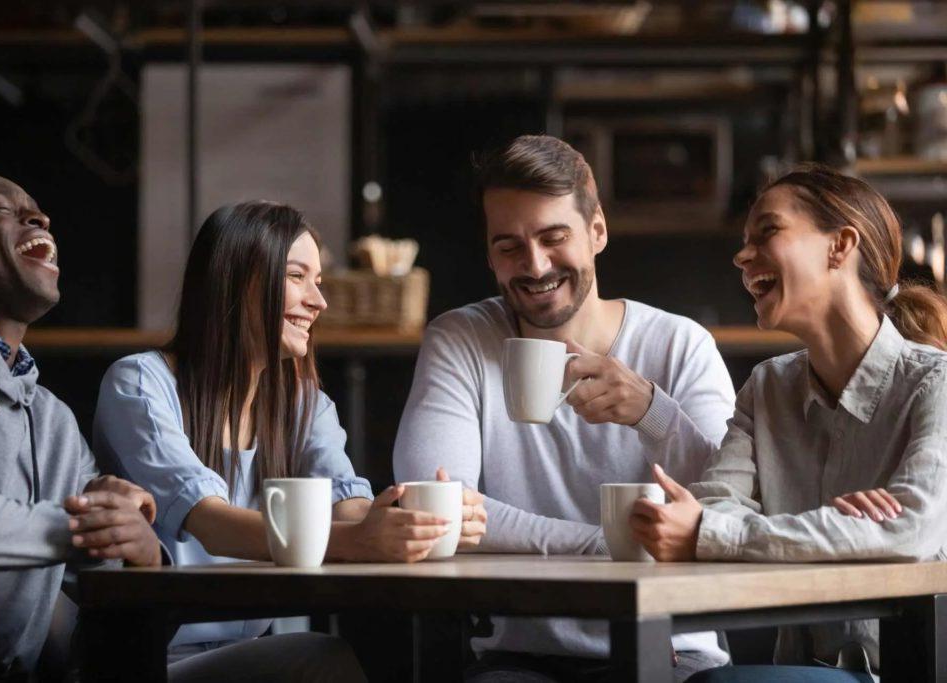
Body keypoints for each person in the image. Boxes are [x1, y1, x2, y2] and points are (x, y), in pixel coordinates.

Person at [93, 200, 487, 681]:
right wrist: (361, 542)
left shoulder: (304, 403)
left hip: (242, 652)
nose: (319, 302)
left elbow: (350, 509)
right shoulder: (139, 384)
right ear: (235, 279)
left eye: (318, 281)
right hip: (147, 657)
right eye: (297, 277)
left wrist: (418, 521)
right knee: (324, 661)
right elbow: (208, 521)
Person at [393, 134, 736, 682]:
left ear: (596, 231)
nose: (534, 265)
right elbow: (435, 507)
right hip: (520, 655)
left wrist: (653, 413)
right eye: (509, 246)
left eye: (554, 238)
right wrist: (605, 544)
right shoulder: (461, 339)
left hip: (672, 651)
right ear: (488, 253)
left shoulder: (679, 344)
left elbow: (726, 506)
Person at [631, 164, 947, 682]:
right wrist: (848, 529)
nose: (741, 255)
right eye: (743, 241)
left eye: (768, 232)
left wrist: (720, 534)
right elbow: (713, 508)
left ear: (840, 246)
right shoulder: (766, 388)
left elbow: (906, 528)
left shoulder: (936, 384)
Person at [0, 173, 161, 681]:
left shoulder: (50, 417)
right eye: (0, 211)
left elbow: (101, 567)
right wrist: (88, 528)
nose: (39, 219)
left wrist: (139, 545)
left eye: (37, 210)